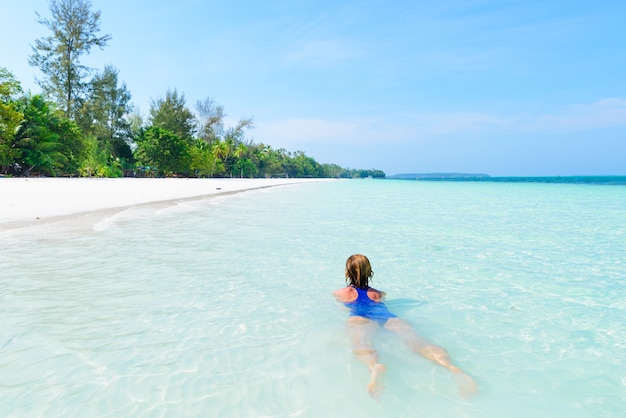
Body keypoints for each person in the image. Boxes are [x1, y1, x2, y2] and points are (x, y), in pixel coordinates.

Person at [333, 254, 478, 399]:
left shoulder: (341, 293)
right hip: (387, 317)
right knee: (418, 342)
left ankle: (374, 366)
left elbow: (344, 309)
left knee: (361, 344)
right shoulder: (379, 294)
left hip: (360, 317)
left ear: (347, 272)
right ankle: (451, 367)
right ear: (370, 272)